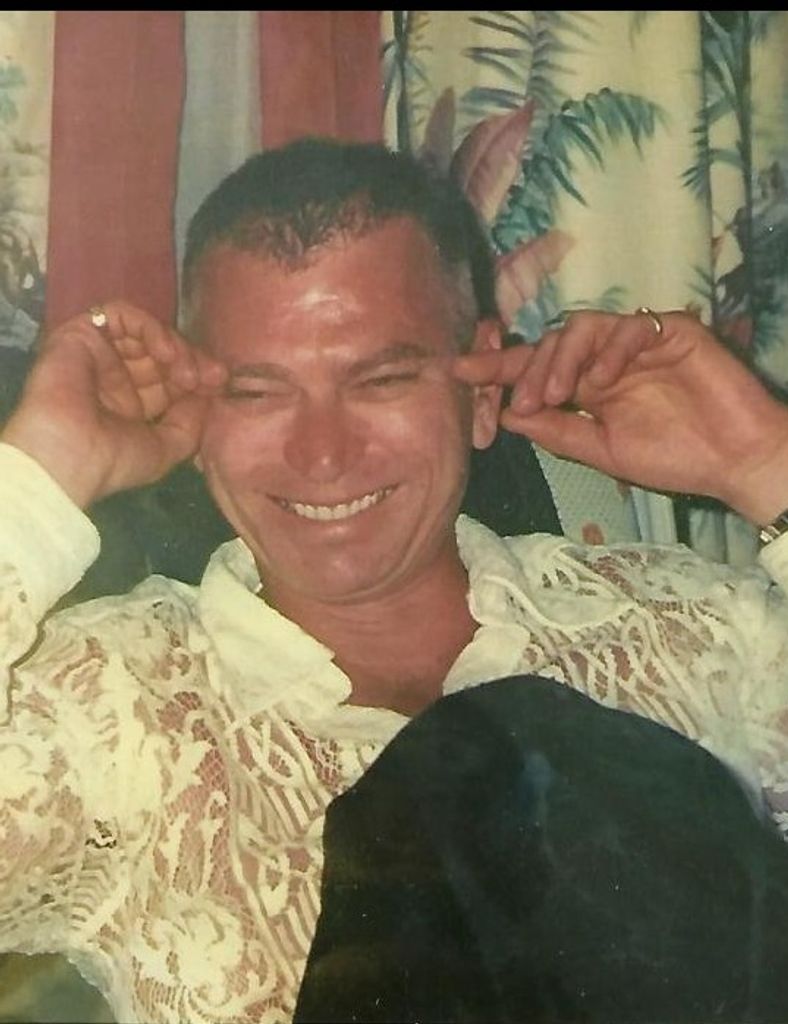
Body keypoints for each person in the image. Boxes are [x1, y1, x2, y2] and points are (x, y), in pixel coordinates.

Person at [2, 136, 788, 1023]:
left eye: (379, 380)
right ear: (196, 413)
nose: (323, 454)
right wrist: (38, 479)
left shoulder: (693, 628)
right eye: (257, 393)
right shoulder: (115, 708)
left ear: (480, 392)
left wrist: (768, 465)